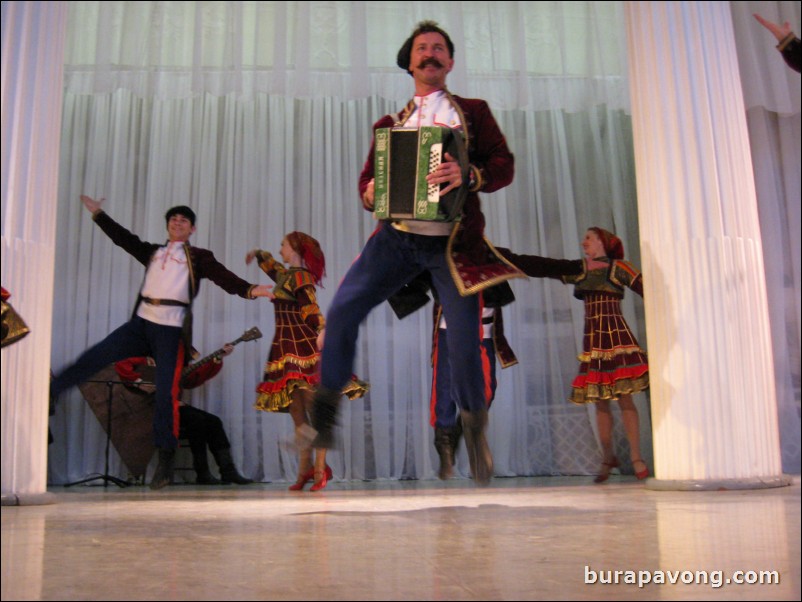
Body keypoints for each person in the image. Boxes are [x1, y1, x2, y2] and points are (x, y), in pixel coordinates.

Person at [305, 20, 524, 487]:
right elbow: (367, 180)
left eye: (439, 49)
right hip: (398, 239)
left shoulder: (473, 111)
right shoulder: (390, 125)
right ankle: (323, 418)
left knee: (465, 345)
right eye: (423, 49)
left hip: (452, 242)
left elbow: (503, 165)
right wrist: (369, 193)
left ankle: (474, 432)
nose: (431, 55)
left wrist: (468, 173)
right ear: (410, 62)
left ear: (450, 61)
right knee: (342, 311)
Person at [50, 195, 273, 490]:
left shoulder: (199, 257)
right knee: (96, 355)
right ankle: (52, 392)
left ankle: (165, 461)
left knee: (167, 395)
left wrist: (253, 290)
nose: (177, 222)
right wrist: (98, 214)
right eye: (173, 219)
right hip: (141, 323)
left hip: (170, 328)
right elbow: (123, 239)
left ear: (191, 229)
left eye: (183, 220)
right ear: (168, 225)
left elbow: (225, 278)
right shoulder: (153, 252)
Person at [498, 228, 649, 482]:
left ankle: (636, 457)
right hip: (593, 339)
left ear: (603, 241)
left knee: (624, 399)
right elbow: (543, 267)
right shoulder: (580, 268)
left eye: (589, 238)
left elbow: (648, 290)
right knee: (600, 401)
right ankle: (607, 456)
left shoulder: (619, 267)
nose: (584, 242)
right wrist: (505, 257)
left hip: (616, 336)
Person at [246, 233, 368, 492]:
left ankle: (321, 469)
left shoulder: (300, 277)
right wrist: (258, 253)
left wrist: (324, 329)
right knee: (296, 410)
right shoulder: (287, 275)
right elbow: (273, 268)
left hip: (302, 345)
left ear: (295, 248)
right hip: (285, 344)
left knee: (313, 408)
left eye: (283, 245)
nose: (280, 250)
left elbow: (310, 308)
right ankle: (305, 469)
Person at [114, 344, 253, 485]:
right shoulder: (142, 356)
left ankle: (228, 472)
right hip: (150, 410)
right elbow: (121, 363)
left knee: (214, 421)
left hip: (172, 406)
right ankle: (202, 473)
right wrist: (138, 382)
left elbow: (192, 378)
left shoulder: (174, 361)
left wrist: (217, 358)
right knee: (196, 420)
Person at [429, 301, 517, 480]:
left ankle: (463, 428)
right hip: (451, 328)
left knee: (486, 389)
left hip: (484, 331)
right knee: (444, 389)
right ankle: (445, 442)